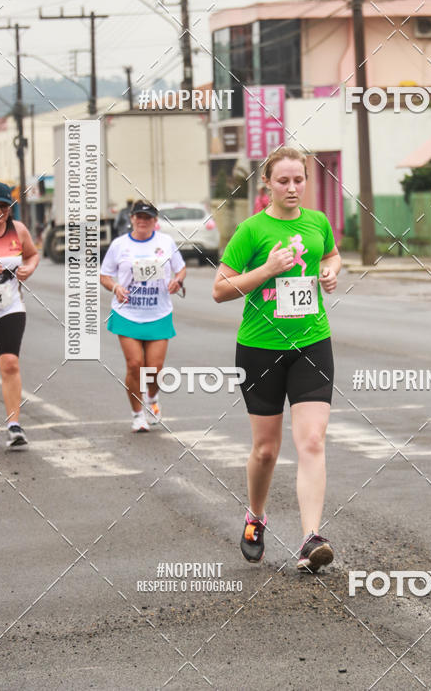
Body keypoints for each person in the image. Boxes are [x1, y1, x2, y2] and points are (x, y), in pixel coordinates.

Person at [212, 148, 341, 572]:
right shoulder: (252, 230)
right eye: (283, 181)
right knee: (266, 450)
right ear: (266, 183)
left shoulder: (318, 222)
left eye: (299, 180)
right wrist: (267, 270)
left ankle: (310, 539)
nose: (292, 188)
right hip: (260, 349)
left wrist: (331, 270)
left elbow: (330, 254)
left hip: (311, 344)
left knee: (313, 440)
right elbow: (221, 289)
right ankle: (255, 516)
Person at [100, 200, 186, 433]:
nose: (142, 221)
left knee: (155, 370)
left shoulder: (165, 242)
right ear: (131, 218)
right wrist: (115, 287)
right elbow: (105, 275)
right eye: (139, 216)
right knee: (135, 364)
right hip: (127, 313)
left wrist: (177, 281)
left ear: (155, 221)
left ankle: (152, 399)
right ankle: (137, 414)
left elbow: (181, 269)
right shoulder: (119, 245)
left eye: (147, 217)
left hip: (158, 313)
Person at [0, 182, 39, 448]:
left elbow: (33, 255)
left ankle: (14, 425)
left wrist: (29, 269)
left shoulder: (18, 230)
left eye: (3, 206)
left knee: (9, 363)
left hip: (9, 308)